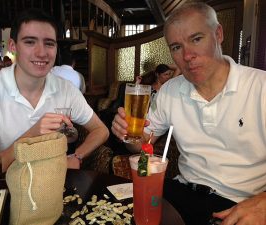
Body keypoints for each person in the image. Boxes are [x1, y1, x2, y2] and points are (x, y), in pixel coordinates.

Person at [111, 2, 266, 225]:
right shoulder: (171, 90)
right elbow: (142, 144)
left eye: (196, 39)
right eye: (176, 47)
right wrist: (130, 134)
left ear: (218, 34)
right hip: (180, 192)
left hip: (239, 202)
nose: (187, 55)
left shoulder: (260, 87)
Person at [0, 8, 109, 178]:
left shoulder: (66, 89)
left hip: (51, 183)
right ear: (13, 46)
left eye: (49, 43)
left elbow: (101, 130)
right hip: (3, 185)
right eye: (30, 42)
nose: (41, 53)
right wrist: (31, 136)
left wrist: (76, 156)